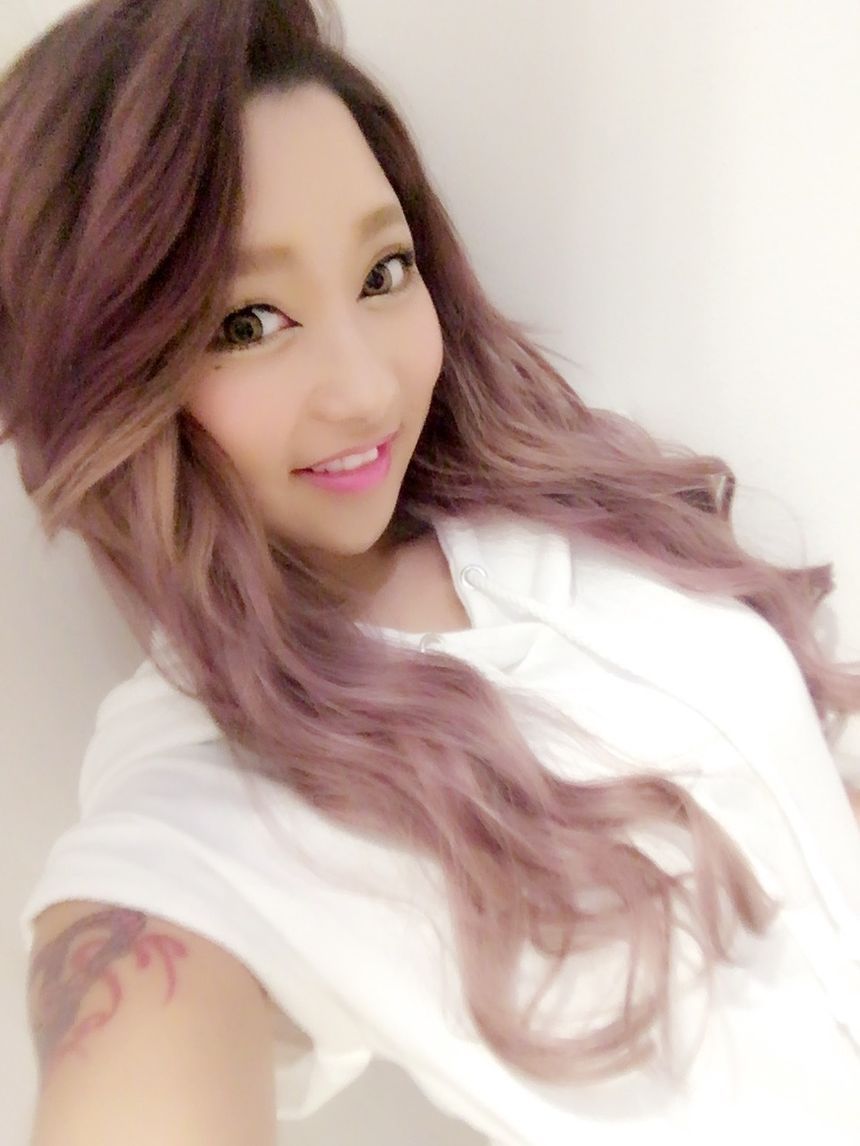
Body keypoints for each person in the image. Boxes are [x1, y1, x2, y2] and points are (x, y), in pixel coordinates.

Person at [2, 2, 859, 1143]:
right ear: (104, 377)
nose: (366, 388)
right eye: (247, 323)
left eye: (382, 271)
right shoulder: (201, 799)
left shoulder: (557, 505)